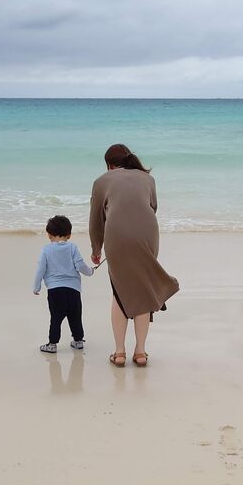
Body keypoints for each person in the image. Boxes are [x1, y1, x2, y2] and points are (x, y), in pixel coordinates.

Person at [89, 144, 179, 367]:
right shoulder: (148, 179)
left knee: (119, 290)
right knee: (142, 288)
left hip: (117, 237)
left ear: (109, 164)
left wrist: (96, 249)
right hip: (148, 234)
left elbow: (96, 220)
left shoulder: (101, 181)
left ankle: (119, 353)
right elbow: (152, 207)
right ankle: (140, 352)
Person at [33, 215, 95, 354]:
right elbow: (80, 265)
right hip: (73, 290)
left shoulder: (46, 250)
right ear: (69, 235)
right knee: (75, 316)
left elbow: (40, 269)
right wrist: (90, 272)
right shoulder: (72, 248)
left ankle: (52, 344)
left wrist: (37, 286)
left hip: (55, 291)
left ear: (49, 235)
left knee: (56, 318)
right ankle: (78, 341)